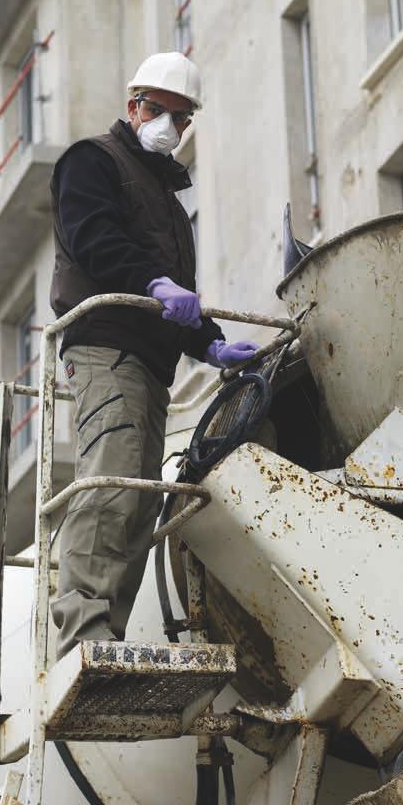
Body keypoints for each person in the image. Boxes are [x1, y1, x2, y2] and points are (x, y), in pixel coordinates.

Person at [49, 51, 258, 657]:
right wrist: (157, 286)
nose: (167, 123)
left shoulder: (169, 206)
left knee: (137, 505)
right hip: (106, 348)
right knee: (110, 486)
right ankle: (83, 639)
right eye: (156, 109)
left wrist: (211, 343)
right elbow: (96, 238)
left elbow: (175, 301)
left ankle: (106, 637)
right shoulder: (92, 161)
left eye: (180, 116)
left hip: (150, 364)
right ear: (132, 103)